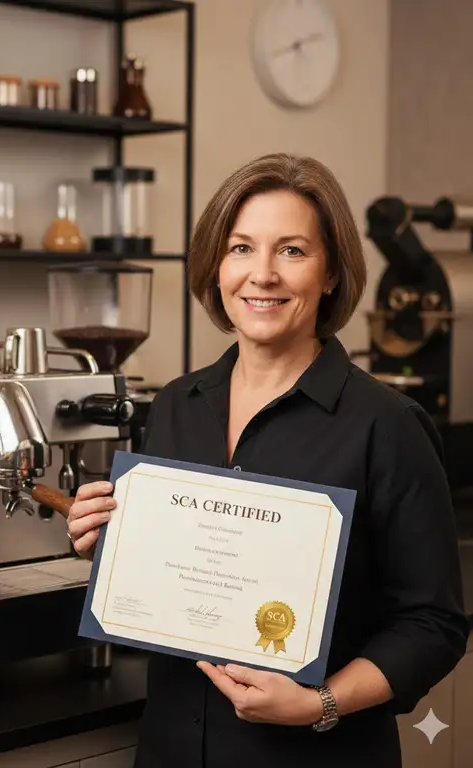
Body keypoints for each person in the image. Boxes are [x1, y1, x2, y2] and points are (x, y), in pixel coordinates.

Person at [66, 153, 469, 768]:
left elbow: (433, 625)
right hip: (171, 748)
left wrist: (321, 702)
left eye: (292, 251)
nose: (262, 275)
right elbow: (170, 579)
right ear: (217, 266)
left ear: (330, 273)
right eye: (241, 248)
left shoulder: (387, 425)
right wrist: (113, 545)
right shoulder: (177, 404)